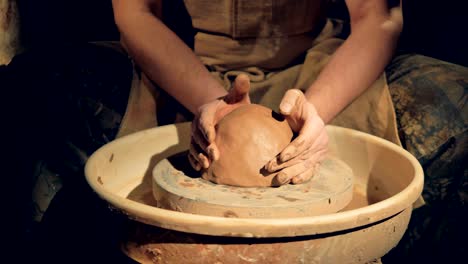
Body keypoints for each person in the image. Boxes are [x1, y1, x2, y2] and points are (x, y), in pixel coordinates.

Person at [2, 0, 466, 263]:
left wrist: (312, 113)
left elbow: (378, 17)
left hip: (318, 71)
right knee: (32, 91)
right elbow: (136, 14)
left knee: (456, 108)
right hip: (188, 69)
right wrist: (217, 106)